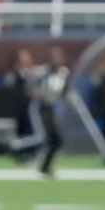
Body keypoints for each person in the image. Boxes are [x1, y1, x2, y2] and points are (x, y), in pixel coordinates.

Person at [33, 48, 70, 178]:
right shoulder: (43, 72)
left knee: (55, 140)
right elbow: (30, 89)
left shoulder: (63, 73)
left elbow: (65, 91)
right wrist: (41, 95)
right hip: (43, 107)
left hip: (56, 108)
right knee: (53, 138)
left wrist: (69, 97)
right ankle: (43, 165)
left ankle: (44, 166)